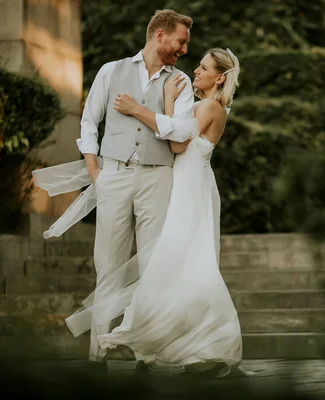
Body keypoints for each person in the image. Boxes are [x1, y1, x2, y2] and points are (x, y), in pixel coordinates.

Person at [62, 47, 246, 378]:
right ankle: (193, 348)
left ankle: (208, 343)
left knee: (185, 265)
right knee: (187, 267)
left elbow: (177, 145)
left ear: (219, 77)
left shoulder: (209, 107)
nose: (196, 72)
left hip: (190, 189)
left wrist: (158, 104)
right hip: (192, 183)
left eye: (203, 68)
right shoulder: (214, 107)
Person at [75, 8, 196, 372]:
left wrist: (142, 112)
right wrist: (94, 169)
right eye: (180, 41)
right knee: (107, 266)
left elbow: (180, 132)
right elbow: (88, 118)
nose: (184, 50)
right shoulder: (111, 71)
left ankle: (148, 355)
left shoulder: (182, 83)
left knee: (152, 266)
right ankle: (98, 355)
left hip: (158, 177)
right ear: (160, 36)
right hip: (113, 174)